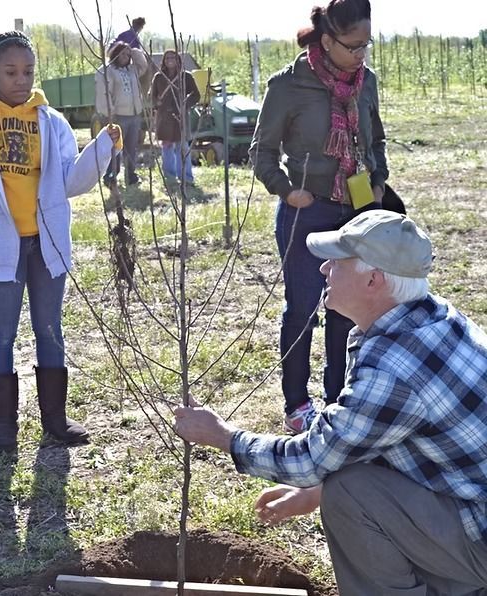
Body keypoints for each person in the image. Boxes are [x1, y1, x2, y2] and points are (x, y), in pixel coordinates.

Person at [175, 210, 487, 594]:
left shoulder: (394, 367)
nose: (324, 269)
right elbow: (378, 434)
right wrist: (313, 493)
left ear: (373, 280)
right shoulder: (433, 317)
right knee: (342, 482)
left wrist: (224, 436)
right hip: (468, 502)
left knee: (349, 493)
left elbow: (311, 458)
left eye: (338, 262)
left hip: (479, 537)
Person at [0, 31, 121, 454]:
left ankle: (55, 420)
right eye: (10, 72)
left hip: (45, 244)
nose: (21, 80)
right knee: (1, 333)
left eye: (28, 71)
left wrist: (102, 150)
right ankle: (3, 425)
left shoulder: (51, 121)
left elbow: (69, 183)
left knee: (50, 330)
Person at [249, 0, 388, 434]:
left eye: (367, 44)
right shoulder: (288, 86)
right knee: (303, 308)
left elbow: (377, 139)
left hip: (355, 212)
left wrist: (378, 179)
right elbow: (262, 152)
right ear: (327, 42)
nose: (360, 55)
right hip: (306, 215)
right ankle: (296, 403)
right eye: (353, 46)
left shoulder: (367, 83)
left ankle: (336, 400)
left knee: (345, 309)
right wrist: (288, 192)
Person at [95, 40, 148, 187]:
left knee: (131, 148)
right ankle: (110, 176)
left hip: (134, 115)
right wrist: (109, 114)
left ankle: (131, 177)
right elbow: (104, 93)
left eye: (127, 54)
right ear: (115, 53)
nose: (125, 56)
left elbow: (143, 64)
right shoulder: (108, 70)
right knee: (116, 148)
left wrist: (133, 50)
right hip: (118, 116)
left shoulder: (132, 70)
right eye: (122, 53)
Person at [149, 49, 201, 184]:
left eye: (173, 57)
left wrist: (185, 105)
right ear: (164, 61)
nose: (170, 60)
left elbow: (196, 95)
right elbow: (151, 96)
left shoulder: (186, 77)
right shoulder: (158, 77)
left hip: (180, 117)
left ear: (178, 59)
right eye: (167, 58)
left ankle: (186, 178)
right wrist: (157, 102)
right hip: (164, 119)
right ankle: (170, 178)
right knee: (166, 148)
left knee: (182, 148)